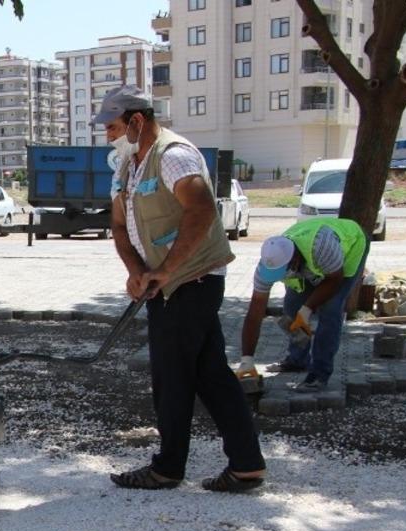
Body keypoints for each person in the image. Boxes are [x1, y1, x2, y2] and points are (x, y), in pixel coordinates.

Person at [96, 85, 266, 493]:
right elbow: (119, 226)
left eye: (113, 127)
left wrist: (167, 270)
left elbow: (203, 209)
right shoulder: (128, 166)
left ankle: (167, 468)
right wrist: (137, 271)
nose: (107, 135)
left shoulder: (173, 157)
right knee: (210, 375)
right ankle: (246, 464)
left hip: (194, 280)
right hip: (167, 284)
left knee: (171, 377)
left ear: (137, 121)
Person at [236, 219, 368, 392]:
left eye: (284, 271)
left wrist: (307, 309)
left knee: (330, 308)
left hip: (350, 246)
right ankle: (297, 361)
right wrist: (247, 359)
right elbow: (254, 314)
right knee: (291, 308)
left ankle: (319, 374)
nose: (281, 276)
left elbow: (334, 279)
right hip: (312, 260)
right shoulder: (266, 266)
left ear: (295, 259)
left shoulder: (321, 247)